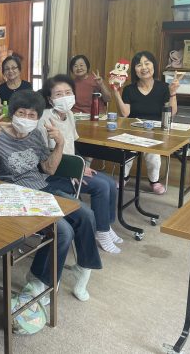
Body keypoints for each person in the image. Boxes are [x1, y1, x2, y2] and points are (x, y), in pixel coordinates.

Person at [0, 90, 102, 302]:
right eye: (22, 113)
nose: (27, 118)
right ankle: (38, 280)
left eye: (32, 115)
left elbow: (48, 169)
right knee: (63, 230)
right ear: (12, 113)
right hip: (13, 195)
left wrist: (59, 144)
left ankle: (82, 267)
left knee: (85, 213)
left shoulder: (36, 135)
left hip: (41, 188)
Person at [38, 75, 122, 254]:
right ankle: (101, 232)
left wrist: (82, 165)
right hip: (54, 174)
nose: (64, 97)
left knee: (110, 183)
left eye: (68, 92)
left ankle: (105, 226)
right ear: (50, 99)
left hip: (70, 166)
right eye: (58, 94)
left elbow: (71, 145)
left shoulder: (69, 114)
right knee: (100, 186)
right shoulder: (44, 119)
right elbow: (45, 157)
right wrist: (74, 170)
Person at [112, 51, 180, 194]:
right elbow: (125, 113)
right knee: (127, 151)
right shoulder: (129, 89)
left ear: (153, 66)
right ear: (134, 70)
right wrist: (116, 92)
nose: (143, 67)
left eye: (147, 63)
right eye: (139, 65)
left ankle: (154, 181)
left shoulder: (163, 87)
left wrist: (173, 93)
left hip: (155, 131)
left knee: (153, 154)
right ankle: (124, 177)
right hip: (132, 130)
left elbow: (172, 112)